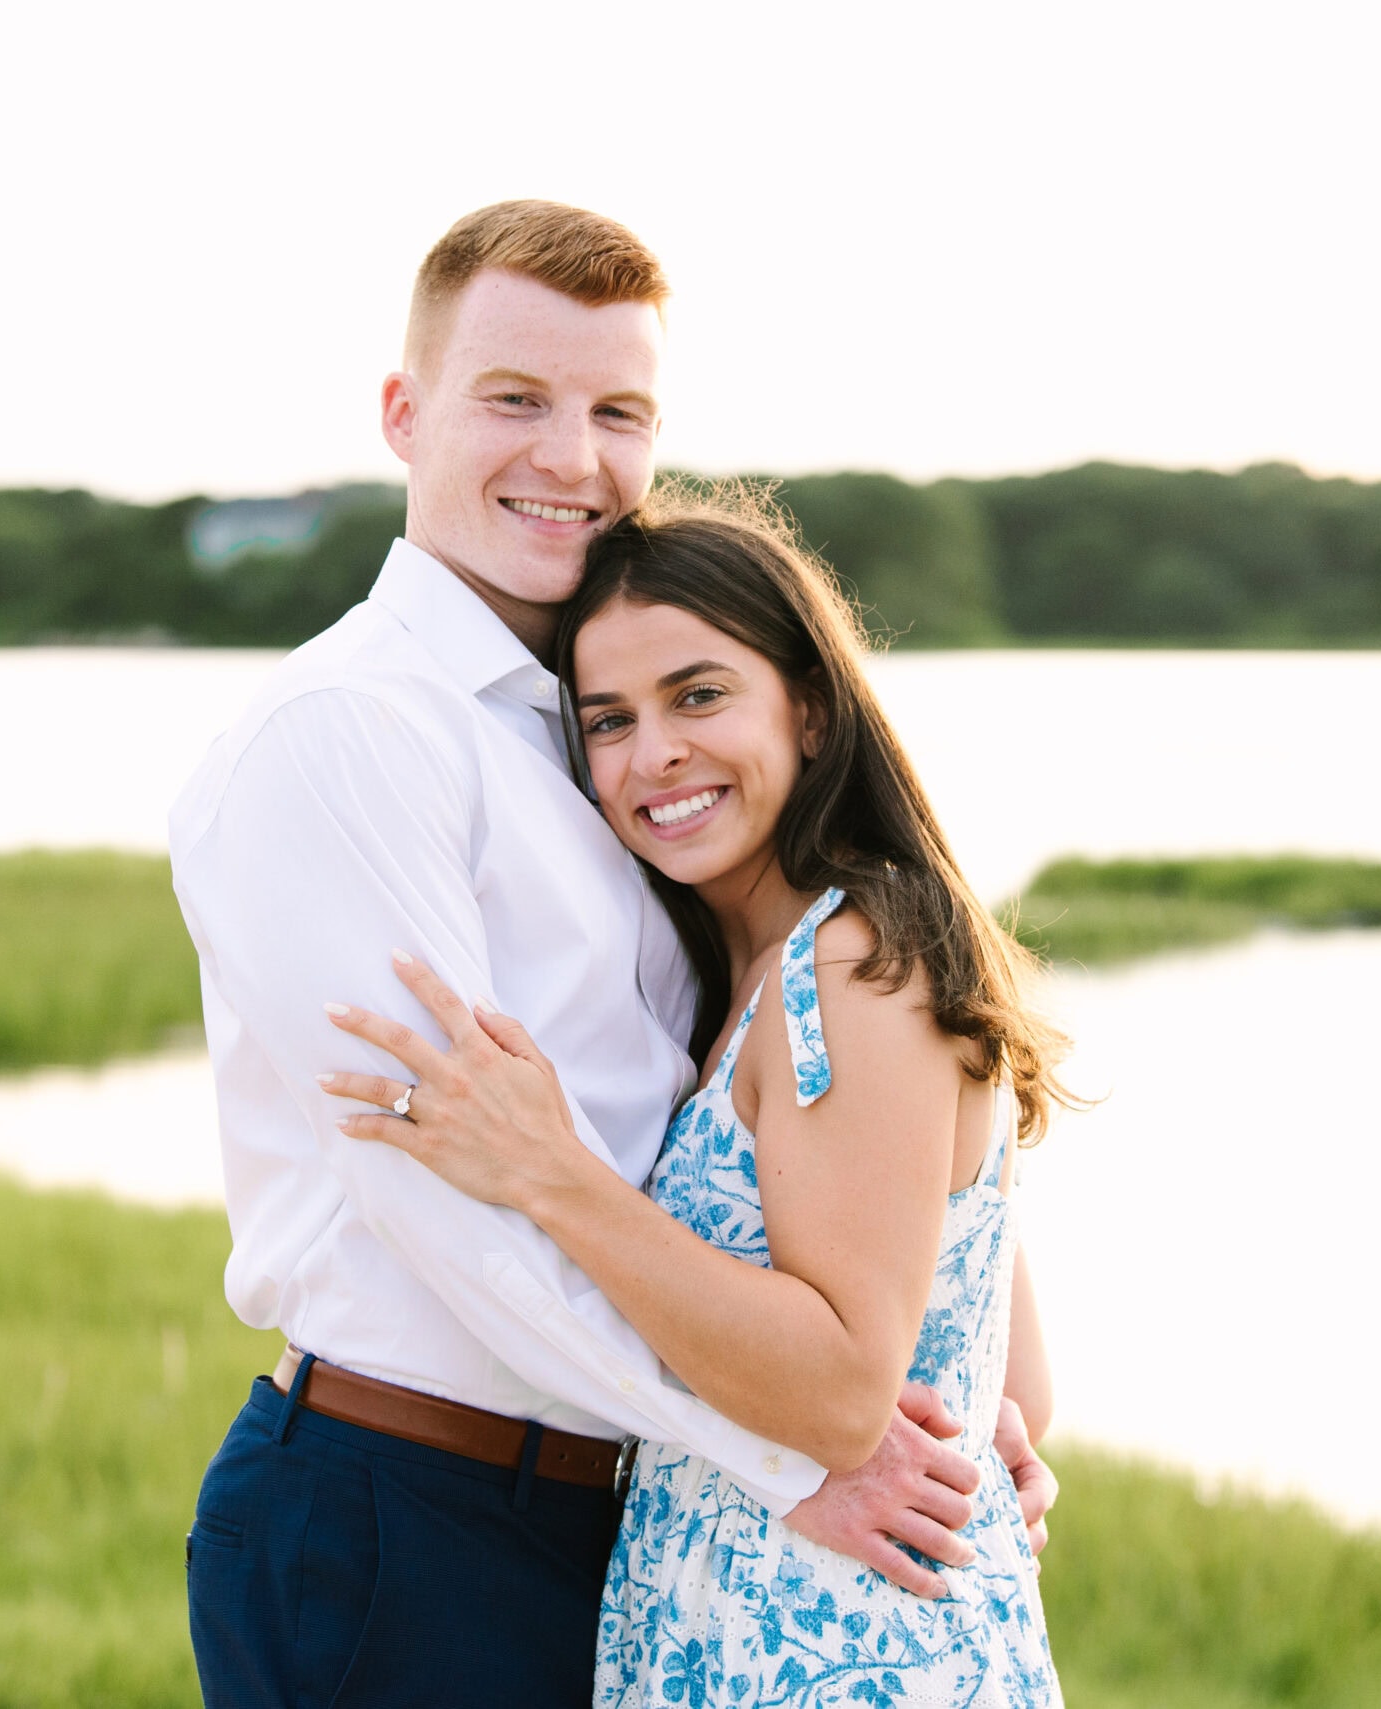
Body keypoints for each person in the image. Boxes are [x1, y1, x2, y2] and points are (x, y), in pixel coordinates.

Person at [169, 202, 1044, 1707]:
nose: (570, 456)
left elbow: (806, 1125)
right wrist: (781, 1447)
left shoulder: (588, 733)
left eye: (617, 411)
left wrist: (956, 1377)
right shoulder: (351, 736)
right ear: (404, 412)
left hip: (621, 1508)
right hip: (413, 1498)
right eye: (516, 398)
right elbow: (438, 1196)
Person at [322, 488, 1073, 1706]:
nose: (651, 752)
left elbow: (843, 1392)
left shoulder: (847, 964)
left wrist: (550, 1173)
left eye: (699, 694)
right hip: (753, 1637)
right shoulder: (749, 978)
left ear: (812, 709)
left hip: (840, 1656)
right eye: (607, 719)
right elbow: (1011, 1391)